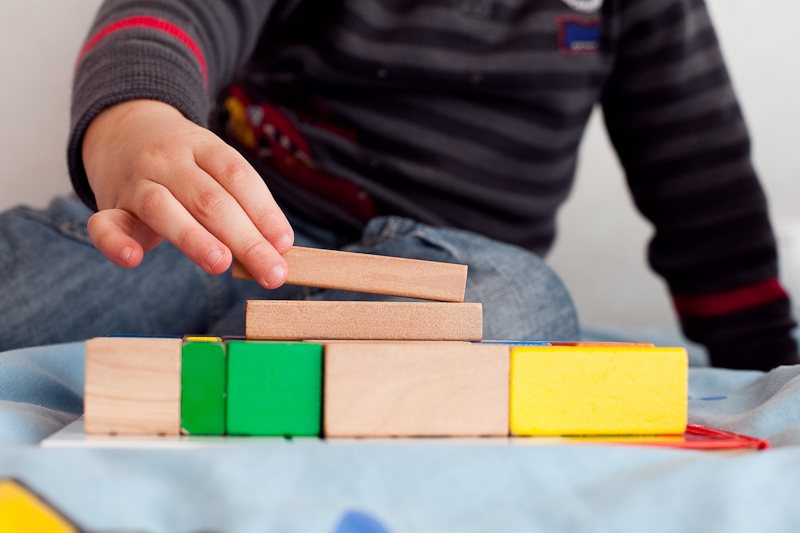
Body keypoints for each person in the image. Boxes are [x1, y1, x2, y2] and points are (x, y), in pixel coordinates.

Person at [0, 0, 796, 371]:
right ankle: (253, 361)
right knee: (39, 278)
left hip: (441, 278)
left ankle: (243, 373)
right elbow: (169, 15)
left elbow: (705, 190)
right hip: (227, 241)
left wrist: (764, 362)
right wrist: (135, 122)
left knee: (521, 308)